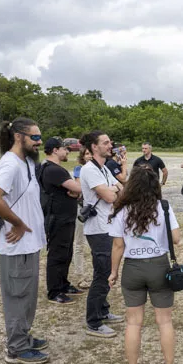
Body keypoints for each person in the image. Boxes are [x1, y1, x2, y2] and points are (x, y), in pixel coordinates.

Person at [0, 117, 48, 364]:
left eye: (40, 137)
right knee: (18, 295)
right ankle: (17, 348)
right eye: (35, 137)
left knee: (28, 295)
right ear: (19, 136)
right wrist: (19, 223)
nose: (39, 141)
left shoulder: (26, 163)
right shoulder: (10, 164)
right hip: (16, 244)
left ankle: (23, 336)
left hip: (29, 244)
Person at [107, 166, 181, 364]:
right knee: (165, 321)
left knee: (133, 323)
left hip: (133, 269)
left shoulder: (123, 211)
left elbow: (118, 246)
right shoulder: (163, 208)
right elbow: (176, 239)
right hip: (159, 266)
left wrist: (113, 272)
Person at [78, 130, 125, 338]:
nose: (110, 145)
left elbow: (121, 190)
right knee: (102, 273)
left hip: (108, 226)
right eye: (105, 142)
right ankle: (94, 322)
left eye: (110, 142)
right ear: (94, 147)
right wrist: (113, 189)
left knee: (108, 270)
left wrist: (114, 189)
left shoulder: (103, 168)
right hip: (98, 229)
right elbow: (109, 195)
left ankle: (103, 310)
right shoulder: (89, 170)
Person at [38, 137, 82, 305]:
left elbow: (74, 191)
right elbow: (78, 188)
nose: (67, 152)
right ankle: (54, 291)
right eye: (65, 149)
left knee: (66, 252)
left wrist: (74, 192)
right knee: (57, 254)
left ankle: (63, 284)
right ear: (55, 150)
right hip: (58, 218)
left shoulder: (52, 168)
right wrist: (76, 189)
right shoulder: (53, 170)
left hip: (65, 217)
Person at [71, 147, 92, 289]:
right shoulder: (79, 169)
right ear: (82, 156)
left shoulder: (100, 169)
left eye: (91, 153)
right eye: (87, 154)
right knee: (79, 243)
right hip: (82, 209)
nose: (89, 156)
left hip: (96, 211)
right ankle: (80, 275)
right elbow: (80, 187)